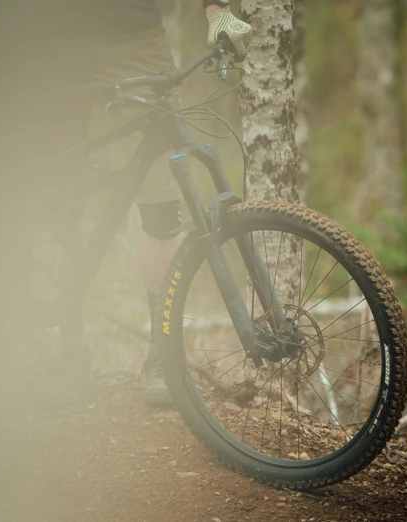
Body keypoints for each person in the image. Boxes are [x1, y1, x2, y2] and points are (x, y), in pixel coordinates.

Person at [34, 0, 252, 406]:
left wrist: (218, 8)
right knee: (58, 198)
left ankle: (163, 355)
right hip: (43, 40)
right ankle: (68, 352)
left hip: (129, 33)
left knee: (162, 203)